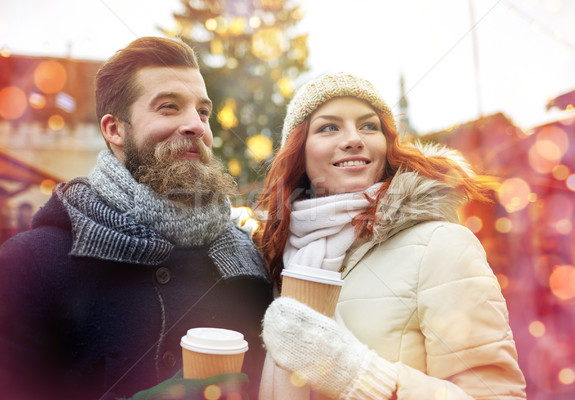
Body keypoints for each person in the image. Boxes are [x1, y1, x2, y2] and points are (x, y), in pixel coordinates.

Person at [0, 37, 272, 400]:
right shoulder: (30, 262)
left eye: (203, 112)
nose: (196, 125)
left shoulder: (248, 262)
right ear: (114, 130)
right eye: (169, 107)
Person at [256, 72, 527, 399]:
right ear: (299, 151)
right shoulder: (276, 258)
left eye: (369, 126)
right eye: (329, 127)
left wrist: (361, 375)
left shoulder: (441, 245)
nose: (354, 139)